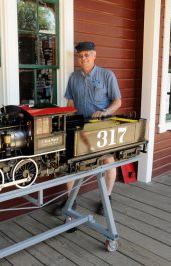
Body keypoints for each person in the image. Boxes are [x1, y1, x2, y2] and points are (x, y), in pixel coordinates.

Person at [59, 41, 122, 218]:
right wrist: (67, 117)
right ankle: (71, 199)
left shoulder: (107, 75)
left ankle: (107, 197)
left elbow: (117, 102)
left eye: (87, 54)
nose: (83, 58)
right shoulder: (74, 77)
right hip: (79, 126)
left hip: (101, 126)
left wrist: (104, 112)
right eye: (80, 55)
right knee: (72, 161)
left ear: (94, 55)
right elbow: (70, 102)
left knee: (107, 161)